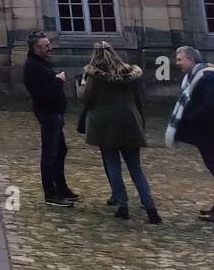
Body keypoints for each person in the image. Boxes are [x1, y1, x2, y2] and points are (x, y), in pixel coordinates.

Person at [82, 41, 161, 224]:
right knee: (136, 168)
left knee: (113, 165)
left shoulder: (95, 75)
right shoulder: (130, 74)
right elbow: (140, 100)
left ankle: (122, 204)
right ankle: (150, 207)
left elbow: (88, 99)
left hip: (105, 123)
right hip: (129, 121)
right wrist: (141, 122)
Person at [23, 33, 77, 206]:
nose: (50, 47)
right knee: (50, 154)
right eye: (46, 45)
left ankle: (61, 187)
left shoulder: (42, 63)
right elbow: (42, 93)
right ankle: (50, 194)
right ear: (36, 48)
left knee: (61, 151)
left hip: (54, 113)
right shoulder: (32, 66)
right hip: (48, 113)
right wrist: (58, 80)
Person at [165, 46, 214, 220]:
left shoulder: (206, 77)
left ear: (191, 60)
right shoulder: (193, 76)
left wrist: (189, 118)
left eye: (180, 59)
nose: (177, 63)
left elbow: (209, 106)